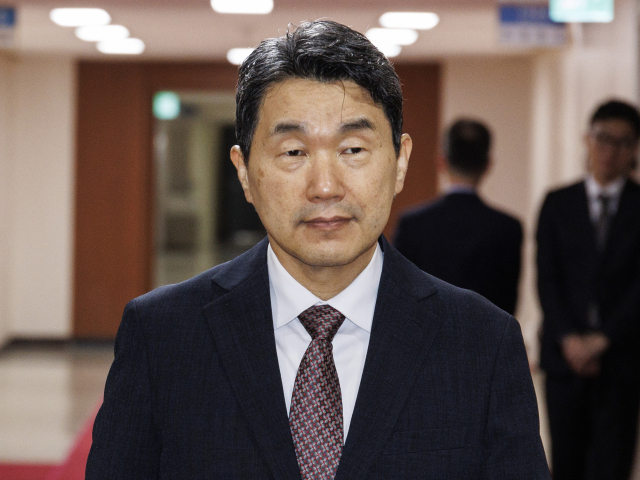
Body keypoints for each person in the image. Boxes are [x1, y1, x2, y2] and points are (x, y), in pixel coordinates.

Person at [86, 20, 550, 479]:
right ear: (244, 172)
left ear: (400, 161)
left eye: (353, 149)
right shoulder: (162, 336)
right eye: (293, 152)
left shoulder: (483, 344)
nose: (325, 186)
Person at [536, 99, 640, 480]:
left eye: (623, 142)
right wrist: (570, 340)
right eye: (603, 138)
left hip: (621, 360)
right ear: (587, 139)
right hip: (564, 359)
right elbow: (547, 279)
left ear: (634, 149)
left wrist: (603, 340)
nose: (611, 150)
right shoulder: (557, 203)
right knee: (565, 463)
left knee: (613, 464)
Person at [394, 119, 523, 315]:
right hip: (484, 333)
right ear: (487, 165)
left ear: (441, 161)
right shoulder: (508, 228)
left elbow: (398, 294)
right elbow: (507, 306)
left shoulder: (412, 224)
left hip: (424, 332)